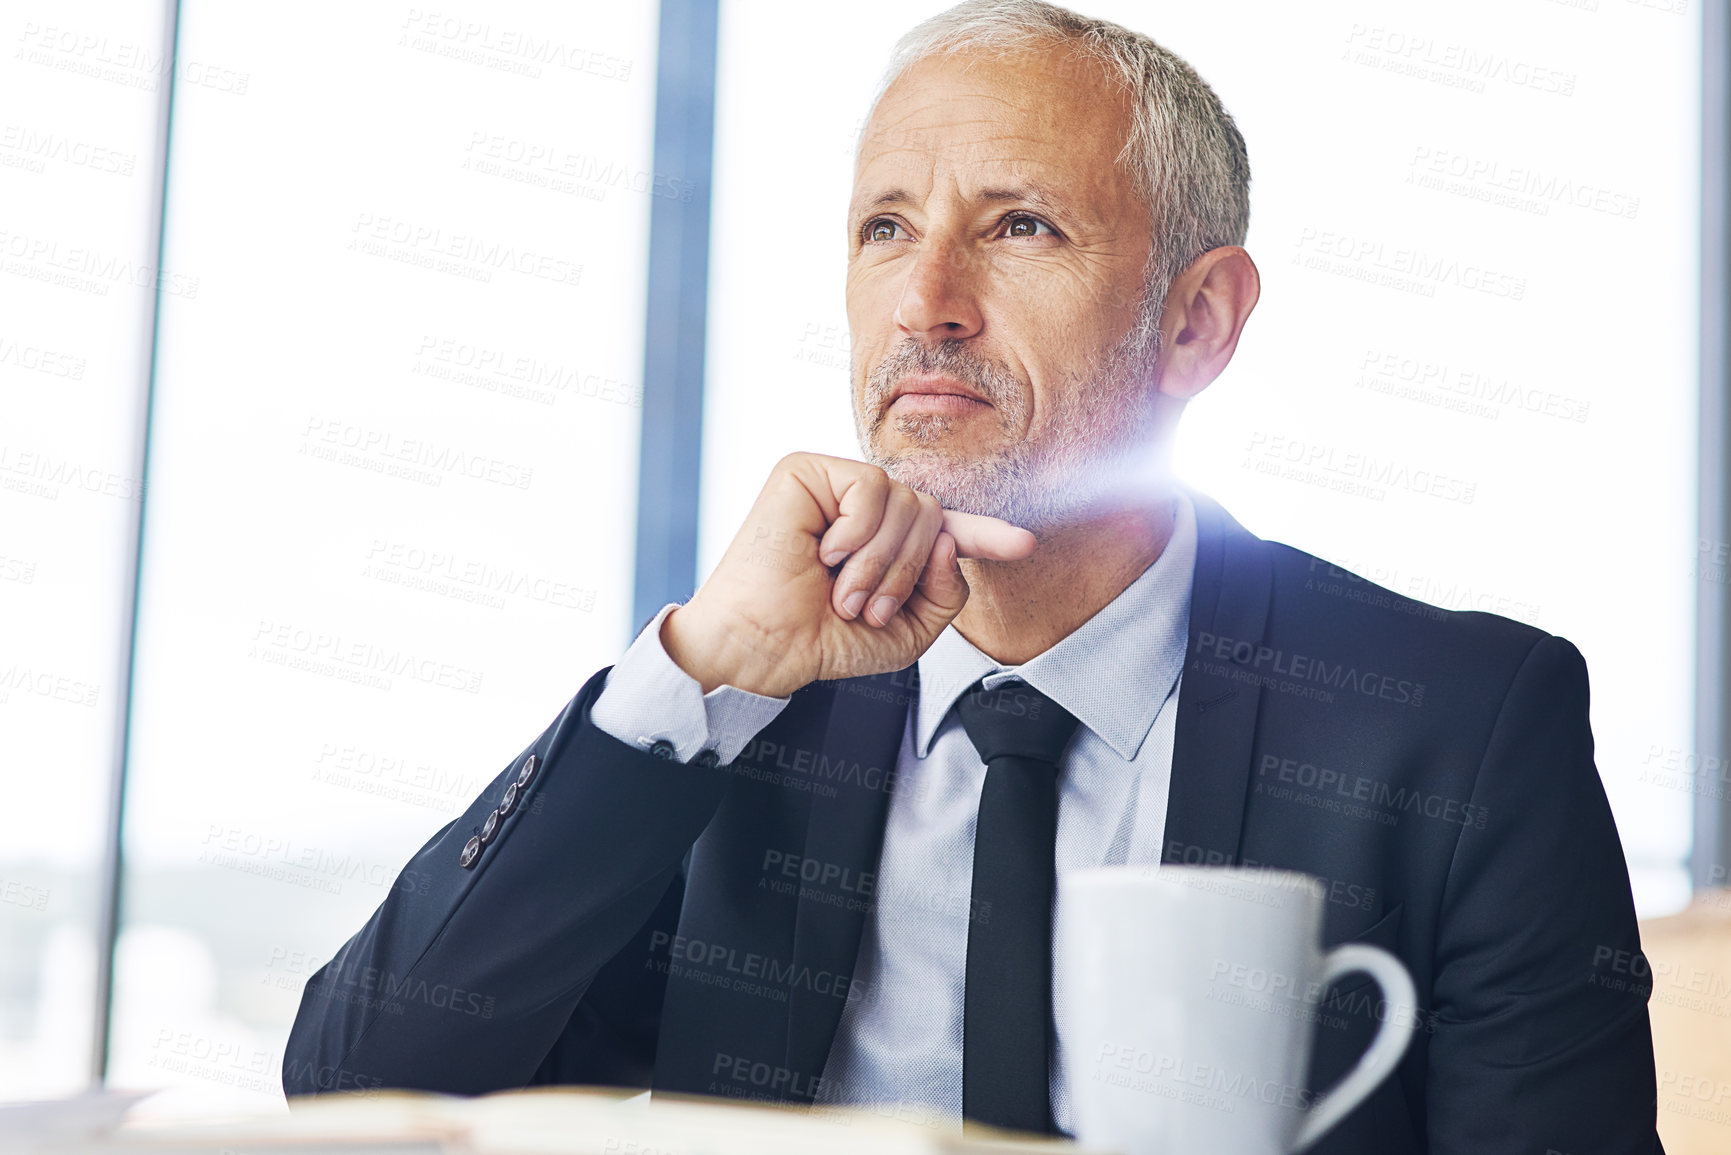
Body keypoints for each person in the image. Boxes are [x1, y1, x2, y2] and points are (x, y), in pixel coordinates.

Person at [284, 2, 1662, 1151]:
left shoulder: (1461, 723)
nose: (924, 298)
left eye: (1019, 228)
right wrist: (696, 670)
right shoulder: (743, 707)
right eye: (885, 227)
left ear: (1195, 321)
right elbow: (358, 1092)